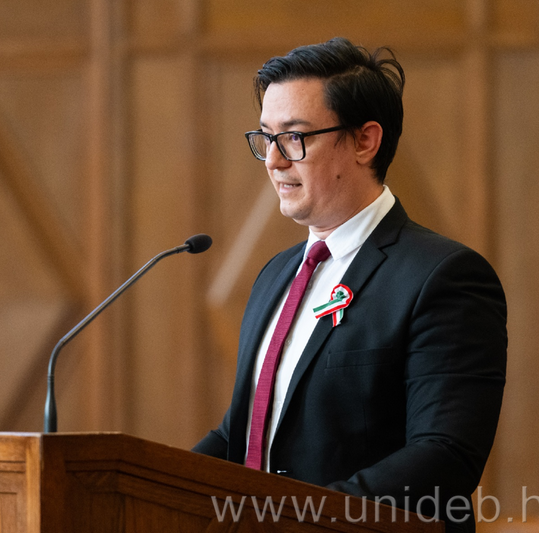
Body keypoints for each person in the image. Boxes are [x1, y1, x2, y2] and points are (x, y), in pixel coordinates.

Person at [193, 37, 507, 533]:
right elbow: (246, 430)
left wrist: (297, 520)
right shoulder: (275, 274)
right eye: (266, 138)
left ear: (365, 141)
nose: (273, 161)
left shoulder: (444, 277)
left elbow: (445, 456)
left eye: (294, 138)